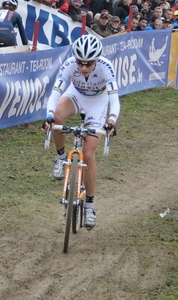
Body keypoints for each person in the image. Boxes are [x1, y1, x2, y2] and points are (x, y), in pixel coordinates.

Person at [43, 35, 120, 230]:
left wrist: (111, 121)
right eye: (80, 63)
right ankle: (61, 158)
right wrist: (50, 115)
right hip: (75, 95)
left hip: (98, 103)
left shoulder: (105, 67)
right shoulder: (69, 64)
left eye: (88, 63)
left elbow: (114, 99)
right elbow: (55, 92)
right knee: (58, 118)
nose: (84, 67)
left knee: (88, 154)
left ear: (97, 59)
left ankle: (89, 206)